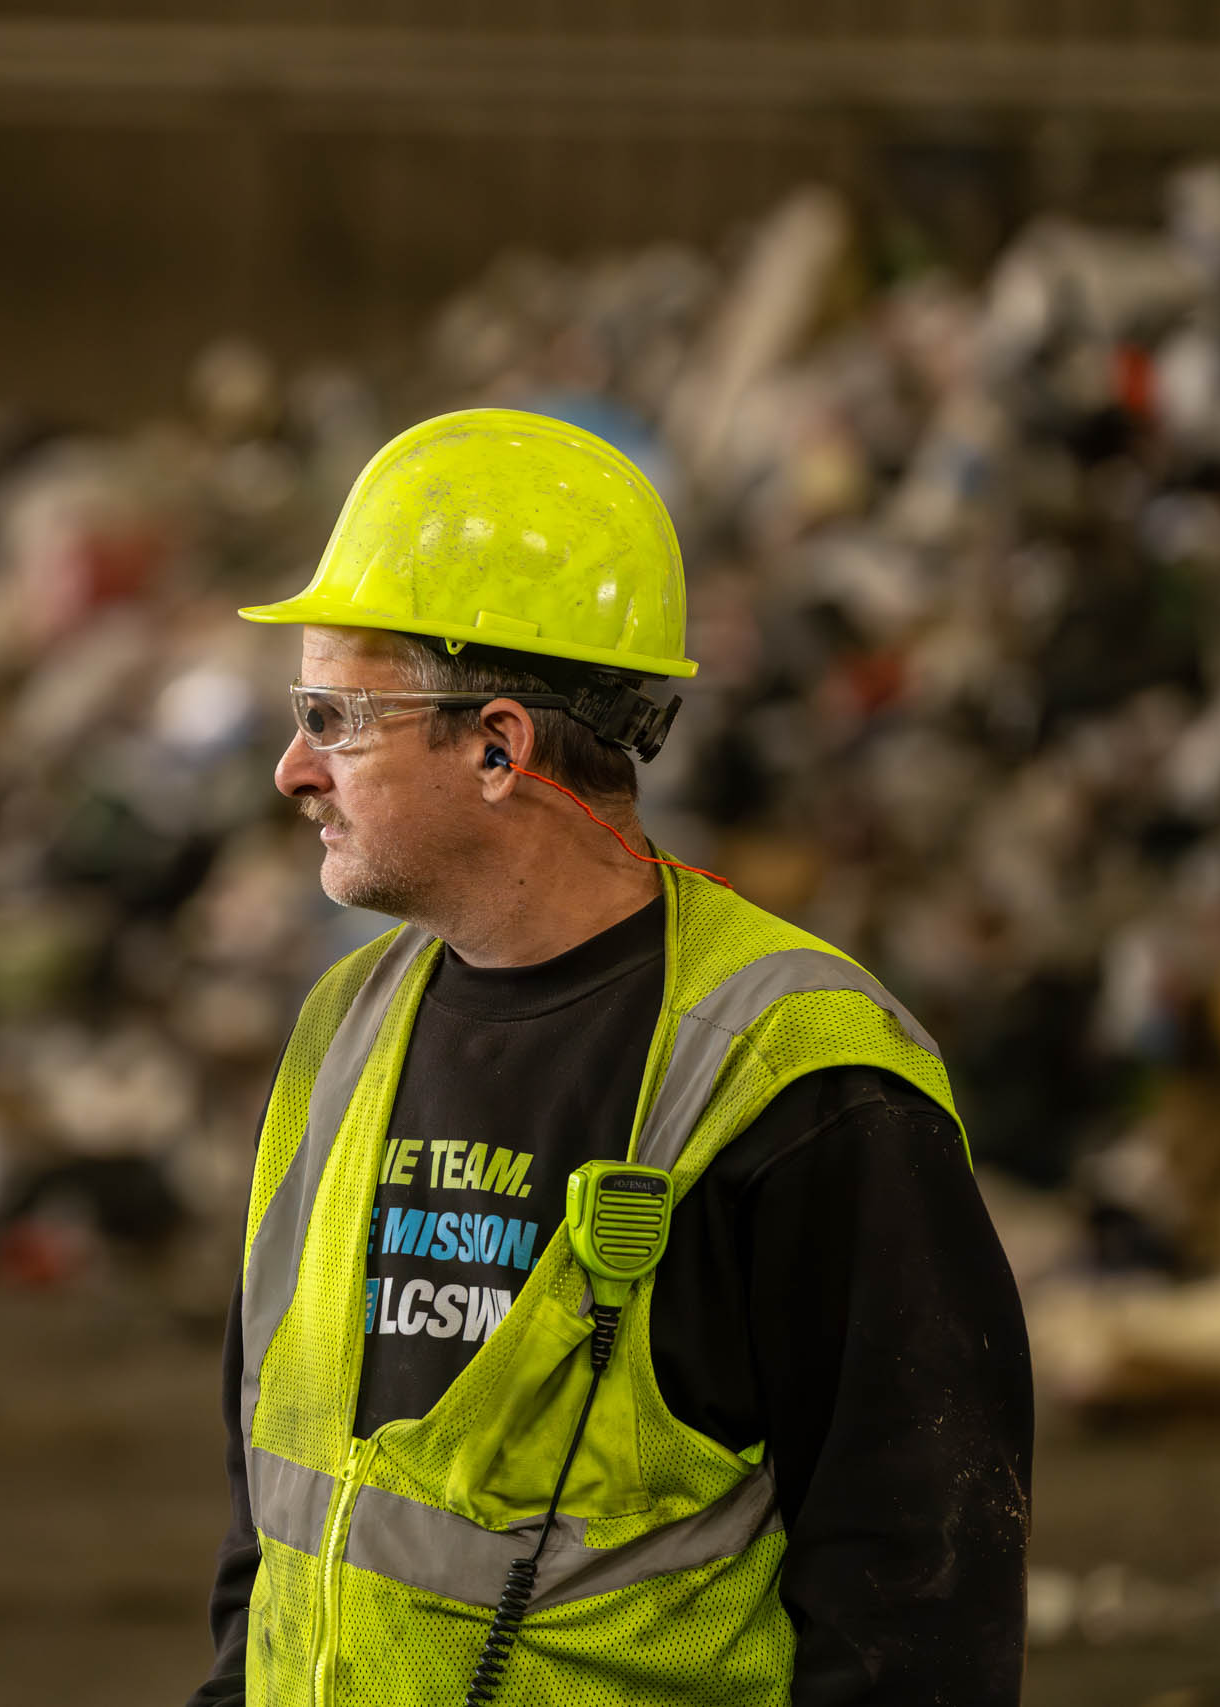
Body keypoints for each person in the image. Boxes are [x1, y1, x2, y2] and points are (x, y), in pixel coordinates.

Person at [186, 409, 1031, 1707]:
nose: (294, 769)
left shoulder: (799, 1077)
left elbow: (917, 1591)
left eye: (334, 715)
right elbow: (279, 1513)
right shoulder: (341, 1029)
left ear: (497, 744)